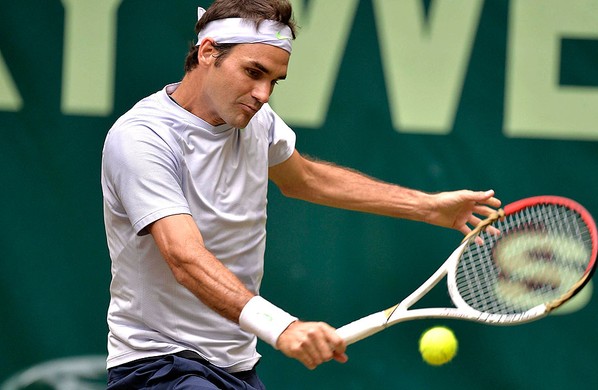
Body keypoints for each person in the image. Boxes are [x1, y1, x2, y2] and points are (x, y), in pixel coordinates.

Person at [101, 0, 501, 388]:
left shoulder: (255, 119)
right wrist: (283, 327)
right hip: (160, 365)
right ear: (208, 52)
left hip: (235, 365)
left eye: (273, 81)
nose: (263, 94)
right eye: (253, 72)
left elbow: (306, 179)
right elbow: (184, 257)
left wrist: (427, 207)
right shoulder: (142, 138)